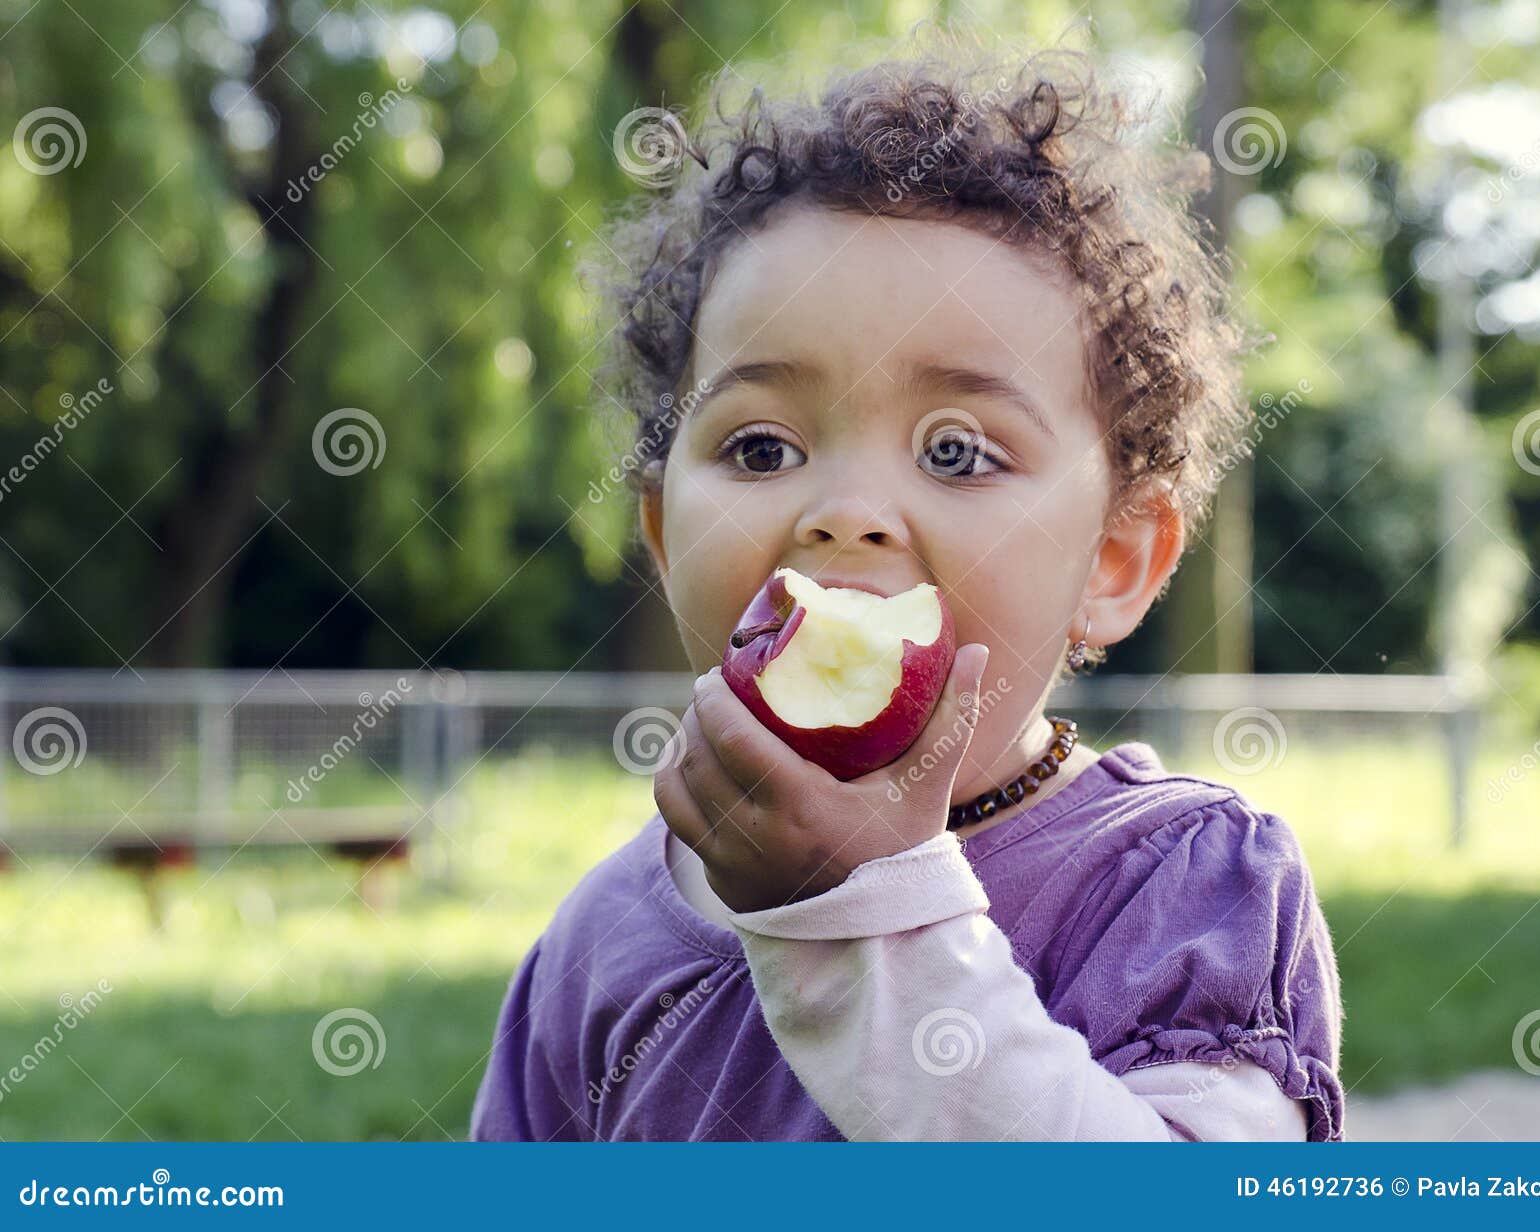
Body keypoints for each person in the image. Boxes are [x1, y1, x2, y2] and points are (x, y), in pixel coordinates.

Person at [471, 25, 1343, 1142]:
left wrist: (864, 911)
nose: (845, 510)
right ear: (660, 529)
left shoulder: (1182, 887)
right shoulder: (600, 940)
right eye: (759, 448)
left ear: (1114, 563)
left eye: (954, 451)